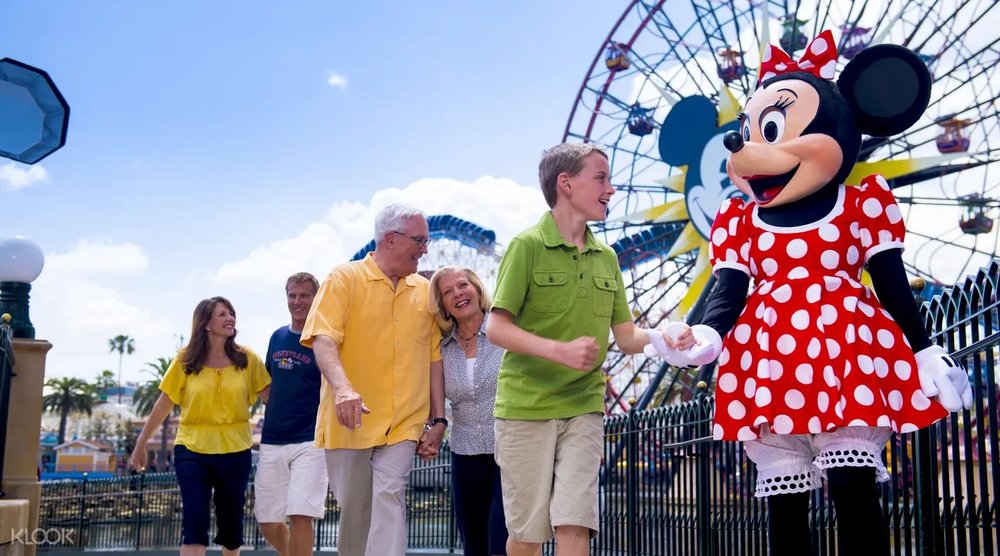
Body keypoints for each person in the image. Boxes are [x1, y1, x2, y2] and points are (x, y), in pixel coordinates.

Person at [649, 31, 972, 556]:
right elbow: (728, 294)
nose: (749, 146)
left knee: (852, 487)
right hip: (769, 359)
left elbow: (891, 284)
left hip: (848, 356)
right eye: (748, 131)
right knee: (786, 504)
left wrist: (925, 349)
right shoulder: (741, 221)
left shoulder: (859, 205)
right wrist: (707, 334)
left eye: (770, 130)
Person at [486, 143, 674, 556]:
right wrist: (557, 350)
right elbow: (495, 327)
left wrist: (665, 338)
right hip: (526, 408)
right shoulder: (527, 246)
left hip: (584, 406)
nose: (612, 188)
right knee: (528, 534)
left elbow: (626, 338)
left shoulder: (606, 258)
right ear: (566, 184)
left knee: (575, 523)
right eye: (601, 178)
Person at [301, 203, 444, 556]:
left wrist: (438, 419)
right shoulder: (343, 279)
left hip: (404, 422)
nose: (426, 249)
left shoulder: (425, 292)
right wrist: (344, 389)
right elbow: (323, 339)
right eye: (420, 240)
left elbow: (433, 359)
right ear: (391, 239)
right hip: (352, 420)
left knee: (389, 496)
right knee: (356, 514)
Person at [131, 296, 271, 556]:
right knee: (194, 522)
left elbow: (271, 398)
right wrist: (141, 443)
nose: (230, 318)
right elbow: (163, 404)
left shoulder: (247, 358)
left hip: (235, 449)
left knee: (231, 528)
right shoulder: (185, 360)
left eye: (231, 313)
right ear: (205, 323)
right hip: (192, 449)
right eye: (222, 314)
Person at [426, 266, 508, 556]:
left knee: (503, 538)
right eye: (447, 292)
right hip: (465, 451)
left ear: (477, 289)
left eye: (463, 286)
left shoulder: (505, 334)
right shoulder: (441, 349)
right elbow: (432, 403)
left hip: (509, 448)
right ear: (442, 304)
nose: (458, 294)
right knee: (473, 542)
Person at [255, 273, 327, 556]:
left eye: (304, 296)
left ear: (315, 298)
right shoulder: (277, 337)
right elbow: (268, 384)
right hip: (272, 439)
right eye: (292, 296)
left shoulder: (324, 339)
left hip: (310, 440)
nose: (297, 302)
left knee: (300, 515)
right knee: (267, 520)